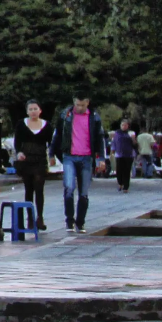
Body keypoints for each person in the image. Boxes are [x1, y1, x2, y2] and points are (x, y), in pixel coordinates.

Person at [54, 96, 104, 233]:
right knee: (69, 188)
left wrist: (101, 158)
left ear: (88, 103)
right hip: (70, 156)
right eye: (77, 105)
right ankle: (69, 220)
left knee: (84, 192)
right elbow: (57, 134)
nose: (80, 108)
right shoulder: (66, 115)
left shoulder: (94, 117)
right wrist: (52, 153)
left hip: (86, 157)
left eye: (82, 105)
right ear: (73, 102)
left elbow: (100, 138)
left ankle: (80, 222)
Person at [11, 100, 52, 230]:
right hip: (26, 158)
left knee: (39, 187)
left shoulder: (47, 125)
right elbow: (17, 142)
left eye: (35, 109)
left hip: (40, 158)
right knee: (29, 188)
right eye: (31, 109)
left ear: (40, 110)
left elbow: (51, 142)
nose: (33, 111)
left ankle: (40, 217)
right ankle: (29, 217)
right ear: (27, 111)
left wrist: (51, 156)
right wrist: (19, 153)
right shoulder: (21, 125)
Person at [111, 119, 137, 192]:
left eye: (125, 125)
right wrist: (112, 150)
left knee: (127, 170)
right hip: (119, 154)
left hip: (129, 155)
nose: (124, 126)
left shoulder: (131, 133)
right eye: (122, 125)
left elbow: (135, 144)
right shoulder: (117, 133)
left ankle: (126, 187)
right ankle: (120, 183)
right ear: (120, 126)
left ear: (128, 126)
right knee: (119, 170)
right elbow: (114, 142)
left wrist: (133, 139)